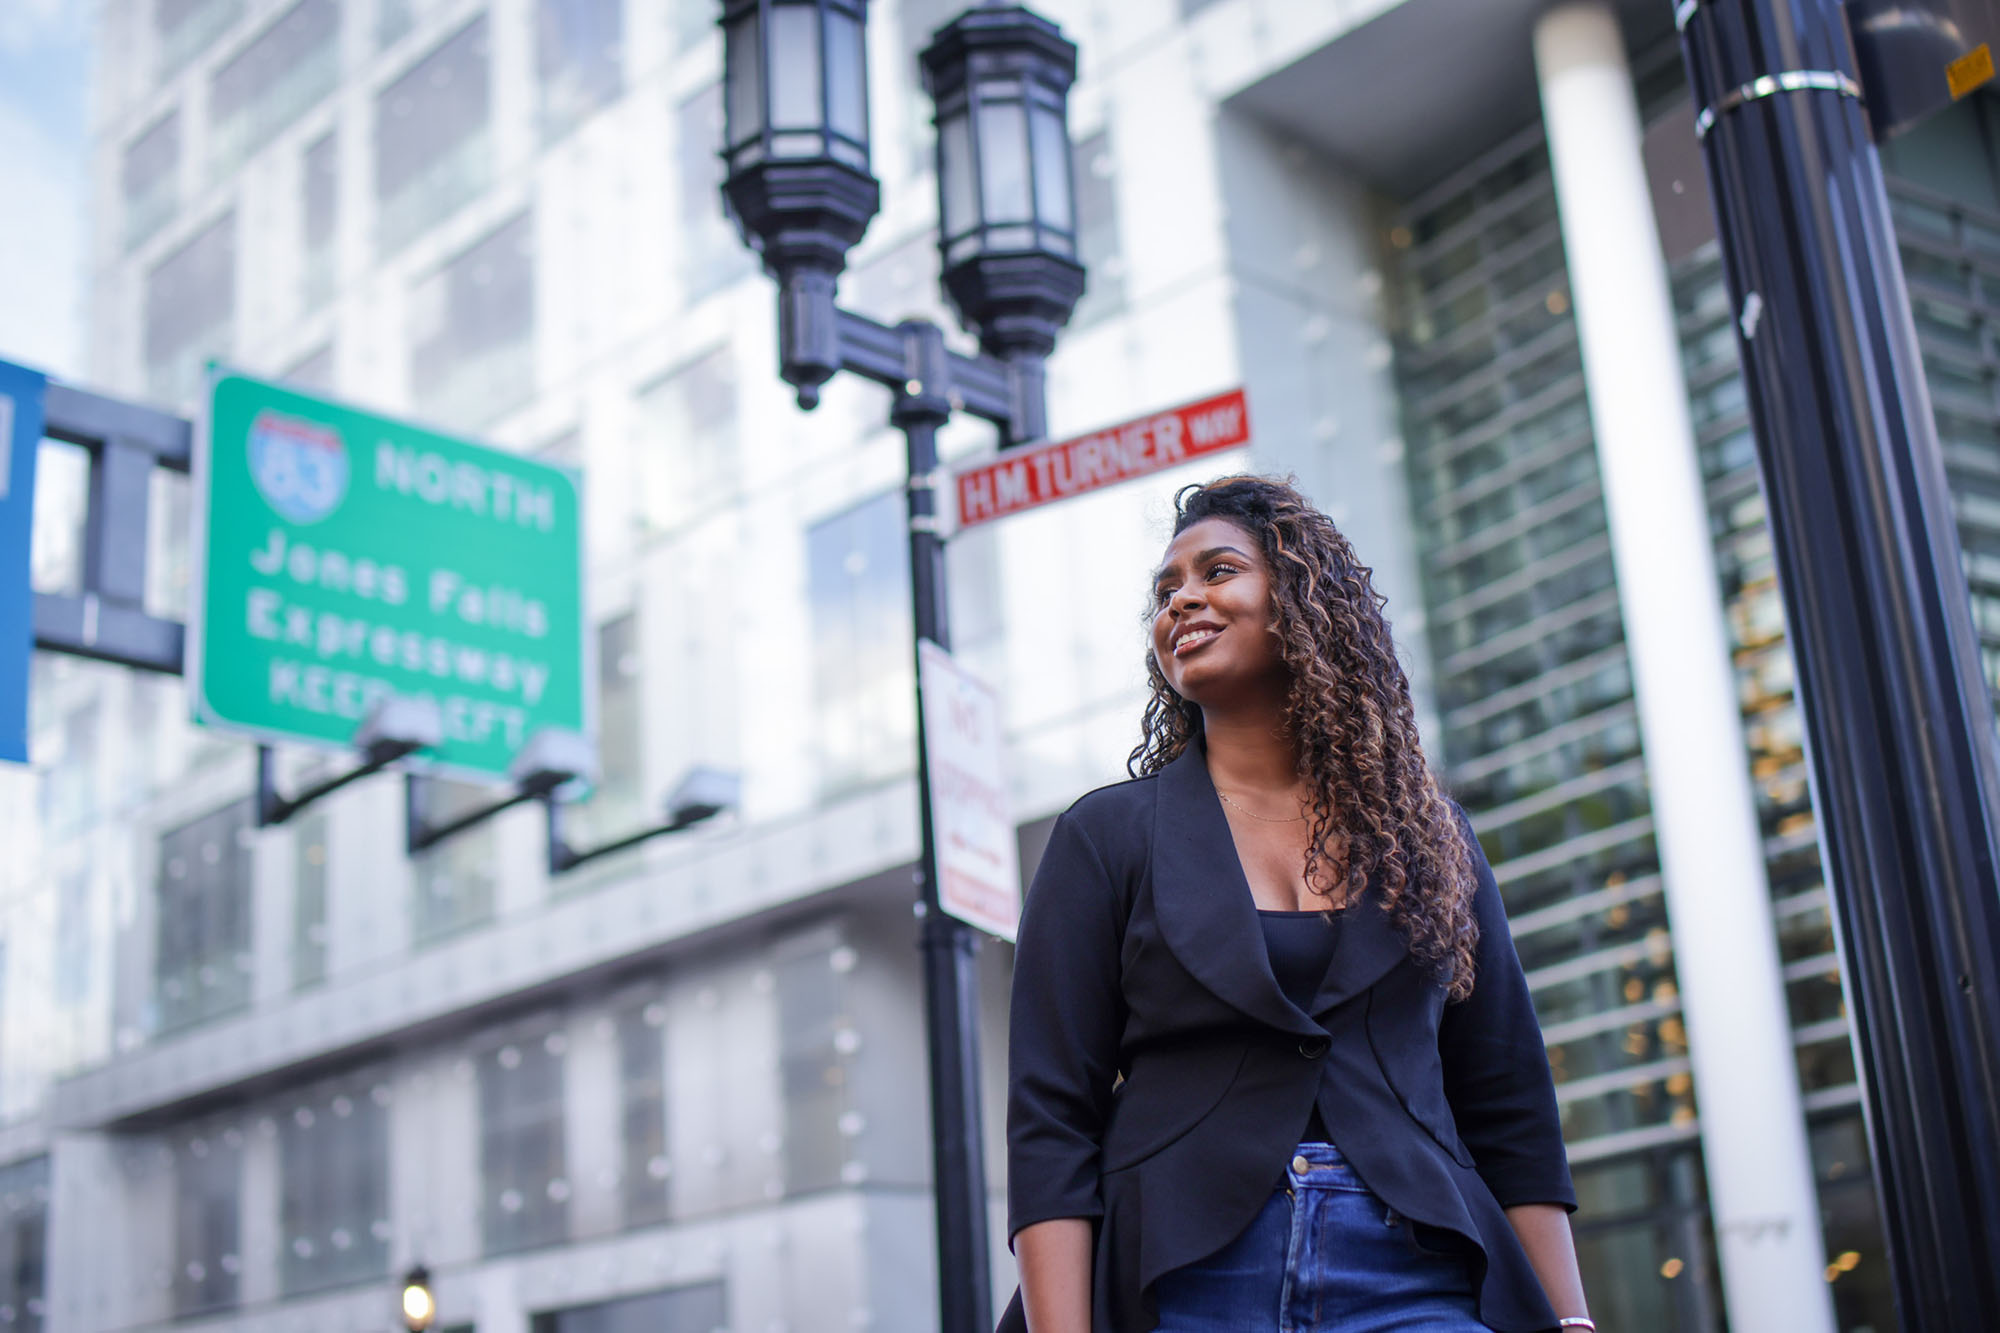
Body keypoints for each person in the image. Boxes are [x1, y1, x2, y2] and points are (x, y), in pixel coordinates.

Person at [999, 477, 1593, 1333]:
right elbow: (1052, 1117)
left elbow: (1508, 1103)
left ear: (1303, 602)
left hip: (1414, 1272)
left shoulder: (1430, 835)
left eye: (1217, 571)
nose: (1183, 601)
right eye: (1166, 591)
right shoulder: (1106, 836)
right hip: (1182, 1278)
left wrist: (1567, 1319)